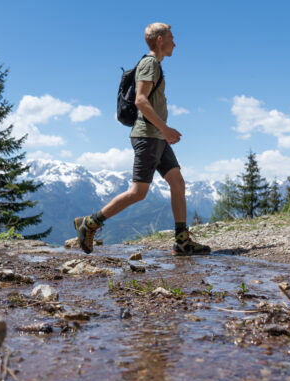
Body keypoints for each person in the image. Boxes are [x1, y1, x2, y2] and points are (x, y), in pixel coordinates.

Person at [73, 22, 211, 256]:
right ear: (160, 40)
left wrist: (163, 132)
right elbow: (140, 100)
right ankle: (90, 222)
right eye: (171, 37)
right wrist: (166, 129)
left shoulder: (154, 64)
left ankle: (182, 241)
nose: (174, 42)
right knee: (139, 192)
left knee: (178, 183)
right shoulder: (150, 64)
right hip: (148, 137)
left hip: (156, 137)